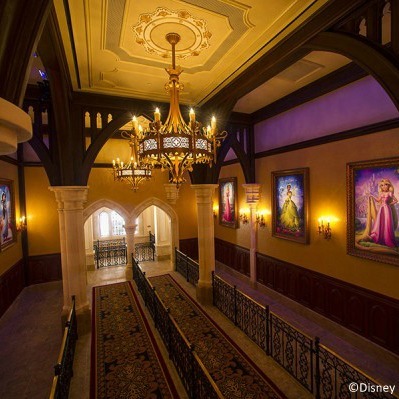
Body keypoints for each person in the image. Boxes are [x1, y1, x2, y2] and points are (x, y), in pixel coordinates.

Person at [368, 178, 398, 247]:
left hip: (387, 208)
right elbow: (378, 200)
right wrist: (372, 196)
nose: (384, 187)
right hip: (381, 209)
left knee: (387, 222)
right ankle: (379, 237)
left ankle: (387, 239)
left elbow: (396, 200)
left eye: (385, 185)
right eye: (382, 185)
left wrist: (390, 204)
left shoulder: (390, 193)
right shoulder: (381, 193)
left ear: (388, 186)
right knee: (380, 222)